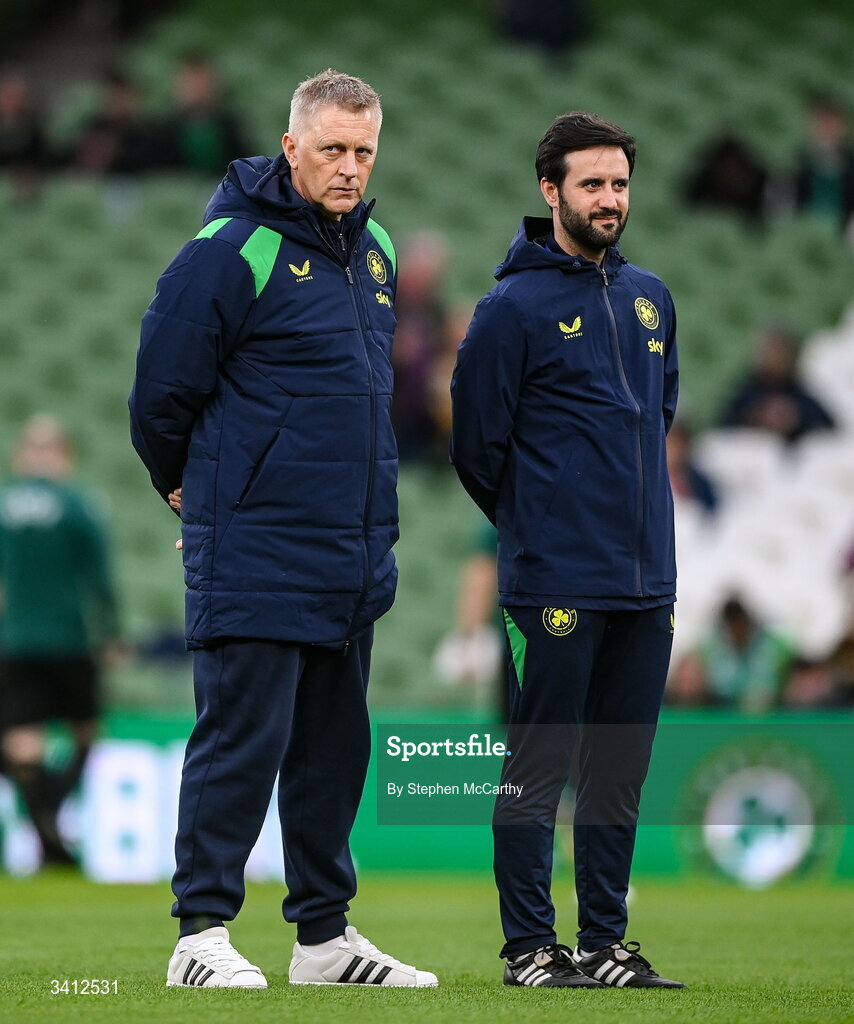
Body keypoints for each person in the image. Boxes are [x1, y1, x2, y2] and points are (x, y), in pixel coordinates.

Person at [129, 69, 437, 990]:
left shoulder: (375, 249)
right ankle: (201, 937)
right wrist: (187, 485)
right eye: (333, 149)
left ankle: (324, 942)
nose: (350, 168)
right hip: (257, 539)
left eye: (364, 151)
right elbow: (158, 392)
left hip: (350, 548)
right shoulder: (231, 249)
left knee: (333, 752)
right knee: (240, 740)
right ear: (291, 145)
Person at [451, 111, 684, 988]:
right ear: (550, 191)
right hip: (552, 581)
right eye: (592, 184)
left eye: (619, 183)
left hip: (645, 582)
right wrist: (543, 525)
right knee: (536, 773)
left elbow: (654, 421)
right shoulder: (511, 307)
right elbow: (476, 448)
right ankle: (529, 949)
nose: (609, 198)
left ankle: (604, 944)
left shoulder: (652, 297)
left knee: (617, 773)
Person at [0, 415, 120, 867]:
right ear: (65, 457)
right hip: (71, 638)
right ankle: (52, 829)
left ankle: (47, 832)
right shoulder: (80, 504)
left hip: (16, 641)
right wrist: (111, 632)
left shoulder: (3, 503)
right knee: (85, 731)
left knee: (23, 743)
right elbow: (100, 577)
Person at [719, 325, 835, 444]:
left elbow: (827, 426)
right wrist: (756, 418)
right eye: (770, 351)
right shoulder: (747, 390)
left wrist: (795, 418)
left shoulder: (798, 391)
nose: (775, 359)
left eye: (780, 352)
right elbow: (722, 425)